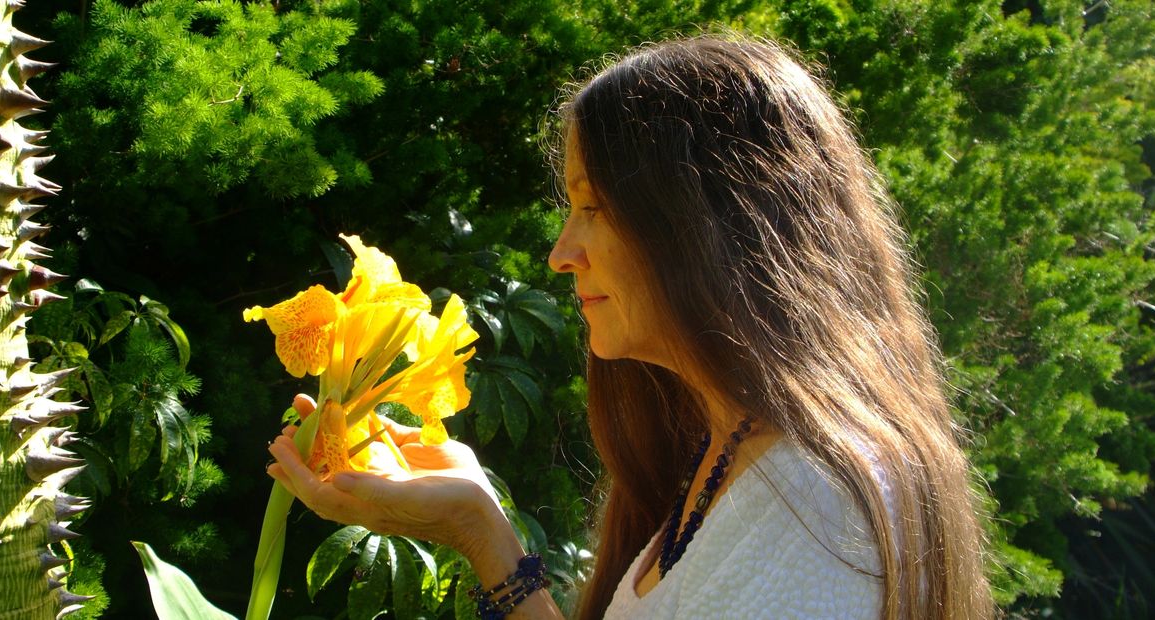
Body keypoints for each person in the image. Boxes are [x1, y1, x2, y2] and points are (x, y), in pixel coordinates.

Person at [267, 34, 993, 619]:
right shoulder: (736, 451)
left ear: (704, 223)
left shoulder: (808, 500)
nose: (560, 253)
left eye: (593, 207)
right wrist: (481, 532)